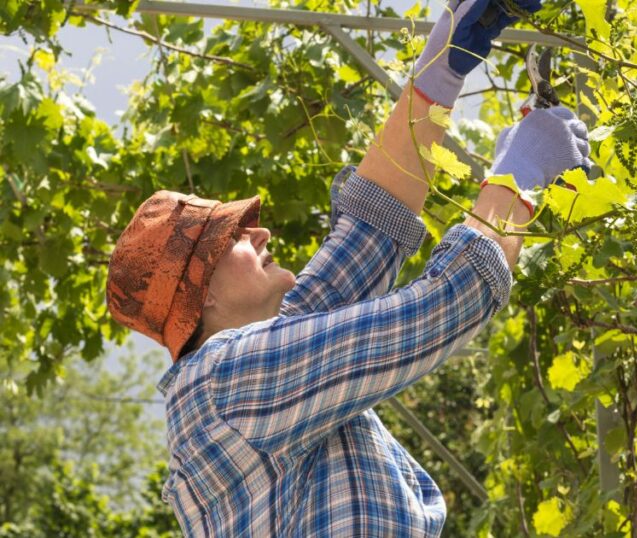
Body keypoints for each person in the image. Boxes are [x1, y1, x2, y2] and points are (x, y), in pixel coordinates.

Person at [104, 0, 591, 535]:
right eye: (231, 239)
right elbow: (443, 307)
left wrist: (443, 65)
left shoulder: (250, 369)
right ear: (200, 297)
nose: (260, 232)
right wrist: (518, 176)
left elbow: (371, 231)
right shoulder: (225, 382)